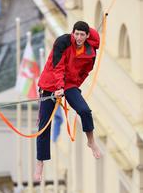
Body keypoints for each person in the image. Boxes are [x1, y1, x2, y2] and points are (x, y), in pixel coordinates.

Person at [34, 21, 102, 182]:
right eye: (76, 34)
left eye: (82, 35)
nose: (78, 37)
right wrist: (58, 88)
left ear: (86, 36)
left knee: (85, 111)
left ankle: (91, 141)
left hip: (70, 84)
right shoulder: (62, 42)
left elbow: (86, 71)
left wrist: (73, 87)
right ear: (72, 33)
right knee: (44, 125)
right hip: (50, 83)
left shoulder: (90, 52)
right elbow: (57, 66)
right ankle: (40, 163)